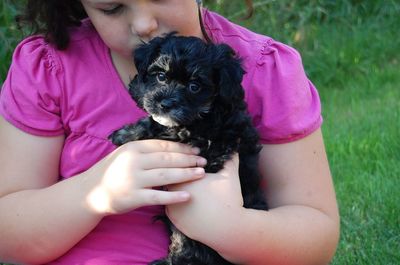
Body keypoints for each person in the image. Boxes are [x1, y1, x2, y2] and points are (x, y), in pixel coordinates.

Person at [0, 0, 340, 264]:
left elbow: (317, 237)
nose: (143, 24)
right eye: (112, 7)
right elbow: (8, 233)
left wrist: (231, 228)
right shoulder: (50, 69)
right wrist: (94, 191)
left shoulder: (266, 70)